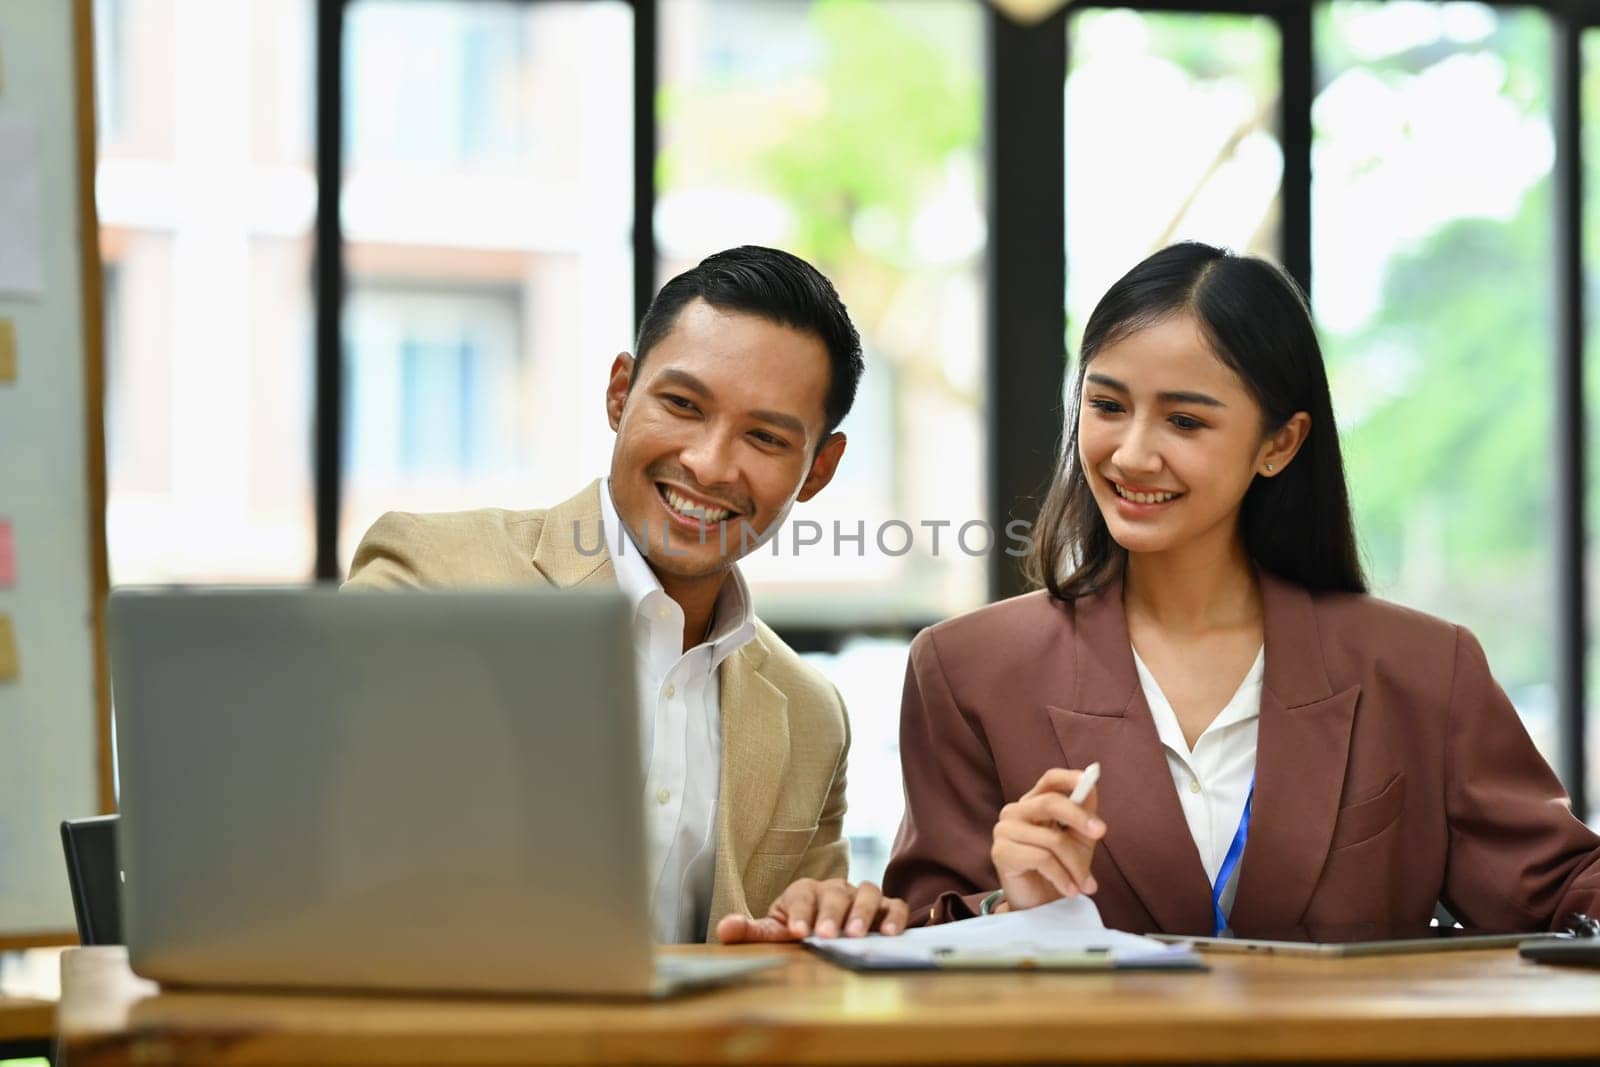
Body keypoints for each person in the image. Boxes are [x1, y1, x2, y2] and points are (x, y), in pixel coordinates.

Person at [882, 242, 1600, 938]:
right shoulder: (967, 669)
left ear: (1279, 444)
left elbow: (1561, 889)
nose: (1131, 453)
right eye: (1106, 406)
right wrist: (1011, 911)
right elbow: (912, 929)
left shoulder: (1420, 668)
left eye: (1184, 420)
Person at [345, 246, 908, 944]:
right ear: (620, 393)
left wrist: (830, 922)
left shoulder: (814, 719)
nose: (707, 463)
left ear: (818, 470)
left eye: (764, 437)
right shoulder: (433, 575)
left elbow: (796, 956)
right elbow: (308, 833)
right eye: (681, 404)